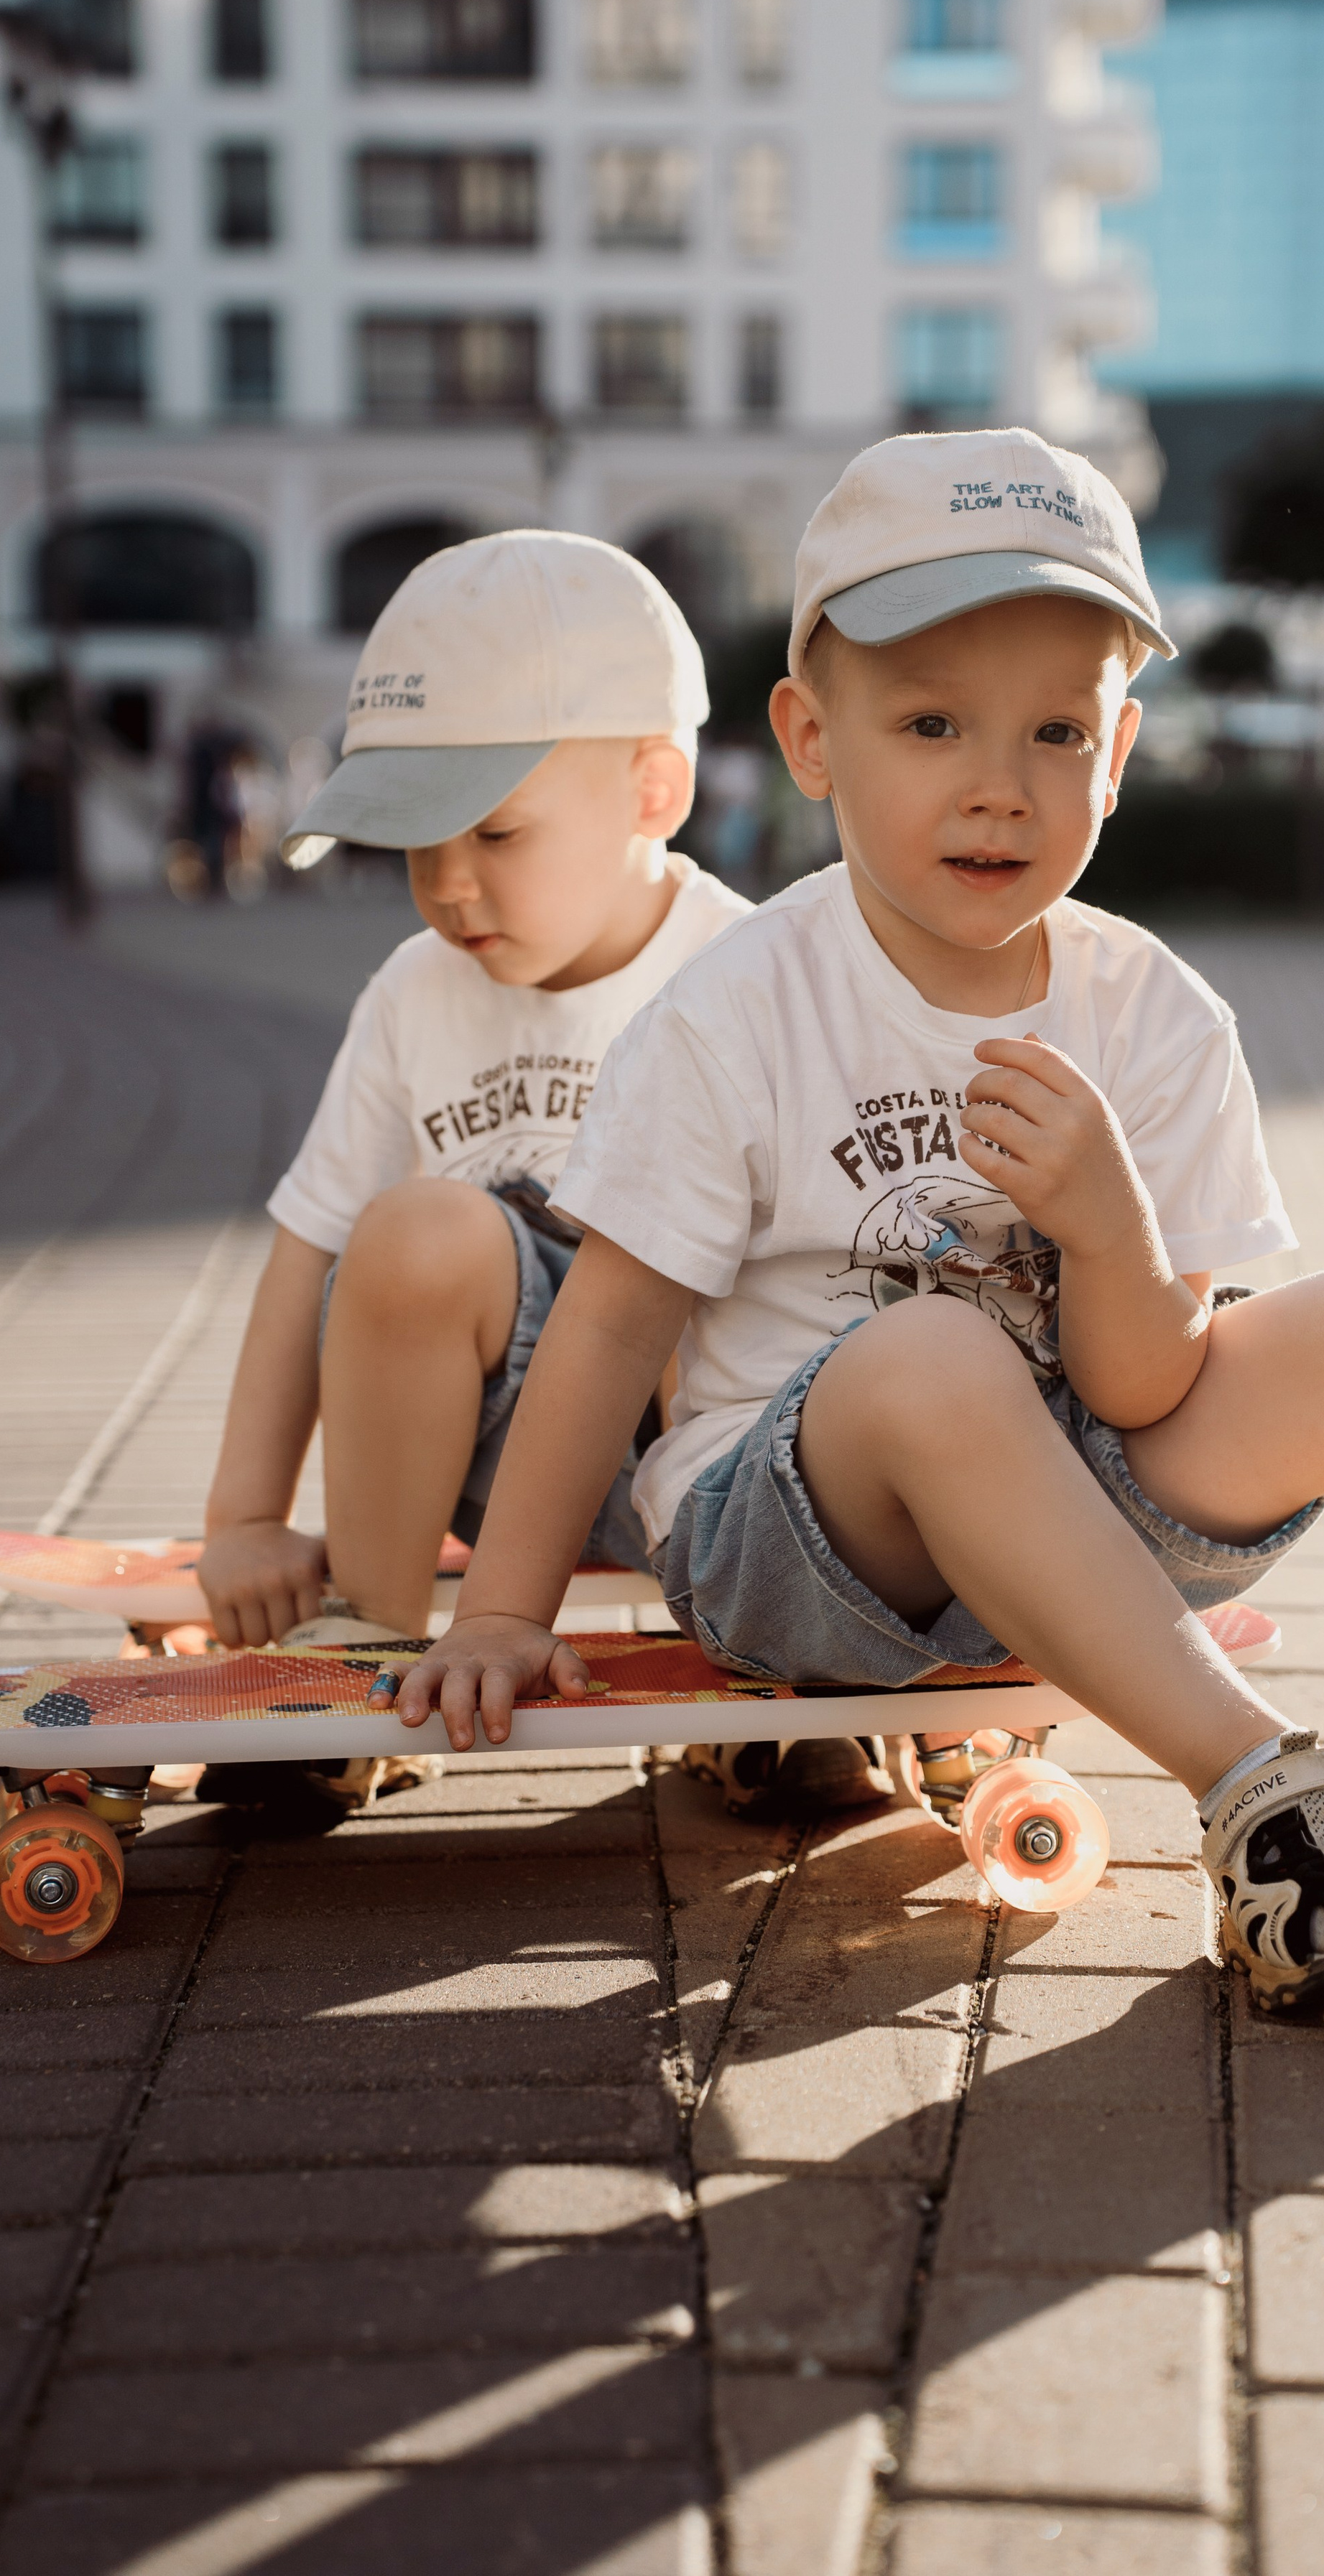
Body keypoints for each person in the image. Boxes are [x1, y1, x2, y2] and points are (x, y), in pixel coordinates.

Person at [384, 435, 1324, 2019]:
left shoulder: (1152, 1015)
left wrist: (1112, 1230)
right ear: (810, 739)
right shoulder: (735, 1013)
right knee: (924, 1356)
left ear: (1117, 754)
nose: (1000, 782)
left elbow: (1136, 1391)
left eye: (1056, 730)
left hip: (1065, 1506)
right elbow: (610, 1330)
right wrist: (501, 1614)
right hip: (787, 1539)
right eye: (930, 723)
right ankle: (1261, 1796)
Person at [193, 531, 750, 1807]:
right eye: (411, 841)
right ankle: (368, 1646)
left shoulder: (749, 968)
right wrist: (245, 1520)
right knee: (411, 1234)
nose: (446, 883)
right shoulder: (415, 993)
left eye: (495, 831)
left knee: (705, 1262)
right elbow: (308, 1242)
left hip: (719, 1467)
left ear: (653, 794)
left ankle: (772, 1673)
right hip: (495, 1450)